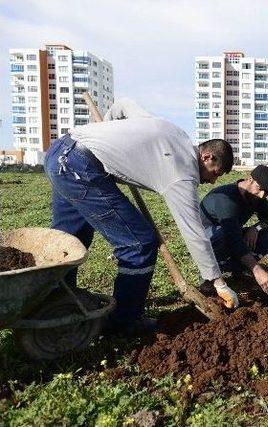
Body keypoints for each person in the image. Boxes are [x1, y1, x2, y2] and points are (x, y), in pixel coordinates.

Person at [44, 98, 240, 336]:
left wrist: (103, 132)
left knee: (70, 238)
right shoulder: (183, 173)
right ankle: (122, 323)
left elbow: (123, 106)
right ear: (207, 157)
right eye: (215, 173)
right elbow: (194, 233)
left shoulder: (174, 132)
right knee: (139, 243)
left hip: (60, 153)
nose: (212, 181)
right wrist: (218, 282)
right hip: (80, 169)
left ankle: (54, 302)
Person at [199, 165, 268, 297]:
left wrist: (256, 228)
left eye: (267, 193)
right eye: (260, 189)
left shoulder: (257, 198)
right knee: (224, 235)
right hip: (206, 239)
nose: (262, 195)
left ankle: (238, 270)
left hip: (231, 233)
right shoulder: (227, 198)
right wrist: (257, 269)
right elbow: (233, 238)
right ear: (249, 179)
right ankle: (207, 278)